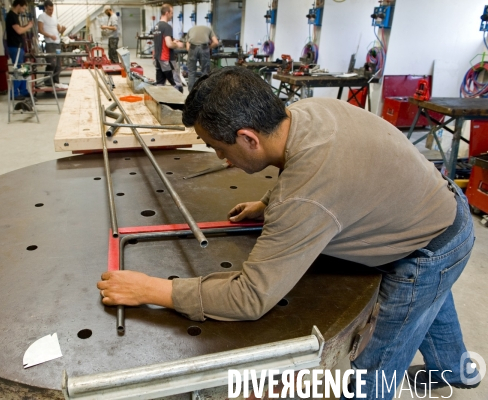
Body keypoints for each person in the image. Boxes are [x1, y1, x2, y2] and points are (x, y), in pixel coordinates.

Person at [98, 67, 480, 399]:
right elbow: (323, 170)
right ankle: (458, 372)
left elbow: (249, 298)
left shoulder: (305, 197)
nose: (221, 160)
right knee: (431, 304)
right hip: (441, 210)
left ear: (249, 137)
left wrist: (152, 290)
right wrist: (269, 201)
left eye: (219, 148)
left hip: (428, 249)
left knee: (374, 371)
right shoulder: (306, 111)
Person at [153, 4, 184, 92]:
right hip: (167, 60)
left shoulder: (157, 26)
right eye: (172, 13)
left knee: (160, 85)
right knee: (177, 85)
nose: (172, 15)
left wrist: (174, 40)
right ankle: (180, 105)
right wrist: (177, 45)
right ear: (167, 13)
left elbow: (161, 40)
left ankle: (160, 104)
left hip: (158, 59)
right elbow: (169, 44)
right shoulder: (167, 26)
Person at [6, 0, 33, 100]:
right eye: (23, 8)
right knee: (18, 69)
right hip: (14, 47)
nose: (23, 10)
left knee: (24, 68)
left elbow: (19, 29)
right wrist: (29, 26)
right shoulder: (11, 16)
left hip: (19, 46)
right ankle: (14, 93)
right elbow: (19, 30)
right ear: (18, 5)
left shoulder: (15, 16)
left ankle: (24, 90)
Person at [37, 0, 67, 89]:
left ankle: (56, 81)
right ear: (45, 8)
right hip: (50, 44)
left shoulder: (54, 17)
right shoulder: (41, 16)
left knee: (58, 64)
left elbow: (59, 31)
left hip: (57, 43)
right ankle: (48, 82)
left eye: (52, 9)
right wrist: (50, 36)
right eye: (49, 9)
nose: (51, 11)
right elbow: (40, 30)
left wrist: (63, 30)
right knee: (51, 63)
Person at [185, 24, 218, 91]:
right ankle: (203, 91)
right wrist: (209, 48)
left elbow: (187, 45)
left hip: (193, 48)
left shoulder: (191, 29)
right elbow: (216, 42)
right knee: (205, 72)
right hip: (204, 47)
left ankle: (190, 93)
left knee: (191, 72)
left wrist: (190, 51)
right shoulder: (209, 29)